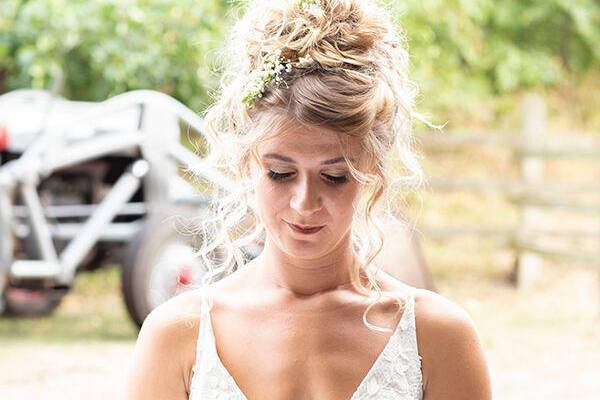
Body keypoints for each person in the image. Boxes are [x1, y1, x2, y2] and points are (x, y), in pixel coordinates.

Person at [126, 0, 492, 399]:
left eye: (335, 177)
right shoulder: (176, 336)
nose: (305, 202)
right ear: (248, 161)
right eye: (280, 173)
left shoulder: (439, 338)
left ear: (373, 168)